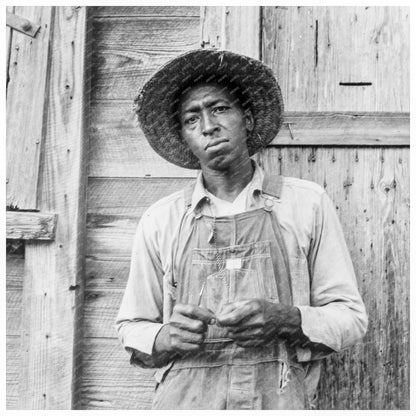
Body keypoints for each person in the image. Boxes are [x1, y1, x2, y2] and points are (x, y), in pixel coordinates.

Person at [116, 49, 368, 410]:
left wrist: (286, 319)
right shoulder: (162, 220)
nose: (208, 126)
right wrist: (166, 336)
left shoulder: (305, 204)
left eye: (219, 109)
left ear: (247, 119)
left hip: (277, 400)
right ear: (186, 139)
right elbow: (132, 325)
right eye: (192, 119)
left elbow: (350, 318)